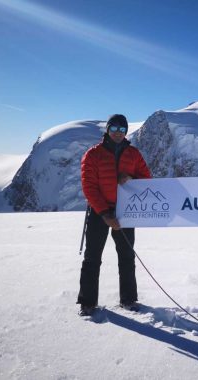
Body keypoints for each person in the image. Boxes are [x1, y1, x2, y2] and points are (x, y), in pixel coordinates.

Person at [77, 114, 151, 316]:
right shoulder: (93, 154)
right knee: (92, 257)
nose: (118, 133)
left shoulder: (133, 154)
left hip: (126, 211)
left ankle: (128, 299)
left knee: (127, 256)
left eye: (122, 130)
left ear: (126, 132)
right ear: (107, 130)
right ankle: (87, 302)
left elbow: (146, 179)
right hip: (99, 211)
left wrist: (131, 178)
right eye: (114, 129)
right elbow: (89, 187)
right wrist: (105, 213)